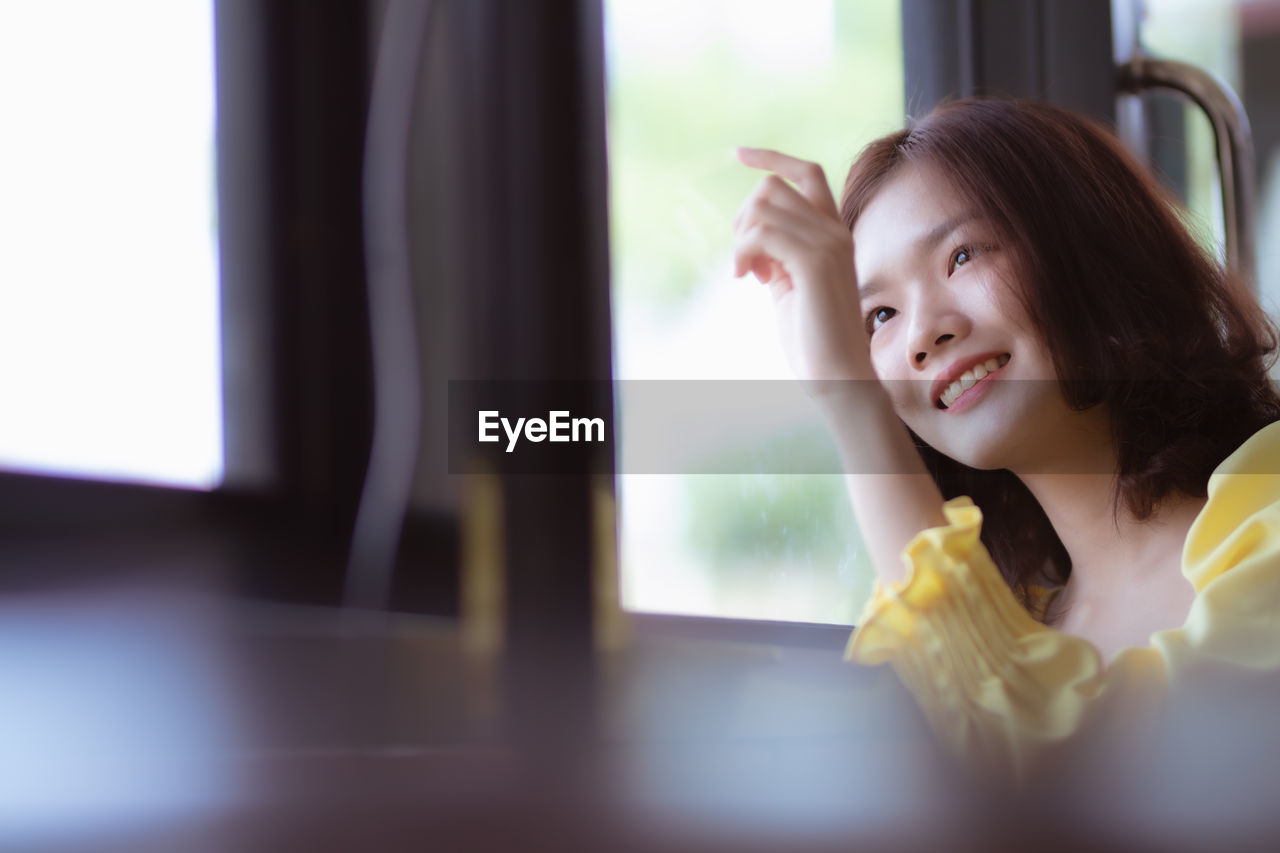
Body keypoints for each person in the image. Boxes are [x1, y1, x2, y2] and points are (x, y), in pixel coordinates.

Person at [731, 97, 1280, 785]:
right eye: (878, 316)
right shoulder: (1004, 619)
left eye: (962, 255)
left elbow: (1092, 791)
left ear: (1091, 245)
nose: (925, 331)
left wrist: (851, 399)